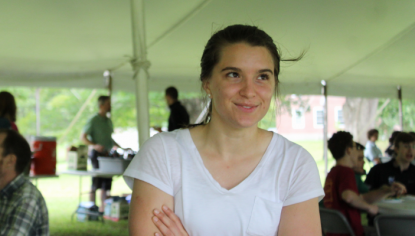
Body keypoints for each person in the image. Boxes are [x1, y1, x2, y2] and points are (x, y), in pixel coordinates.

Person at [124, 25, 324, 235]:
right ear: (207, 83)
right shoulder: (163, 153)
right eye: (233, 74)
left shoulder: (294, 164)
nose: (249, 91)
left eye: (262, 77)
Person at [323, 132, 378, 236]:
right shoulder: (346, 172)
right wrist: (369, 207)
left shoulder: (332, 173)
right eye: (355, 148)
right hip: (350, 232)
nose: (357, 151)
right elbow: (348, 196)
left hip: (333, 232)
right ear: (349, 150)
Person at [81, 95, 127, 212]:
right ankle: (91, 207)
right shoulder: (93, 120)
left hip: (108, 154)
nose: (109, 106)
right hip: (97, 154)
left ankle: (103, 208)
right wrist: (94, 145)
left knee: (107, 183)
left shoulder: (108, 121)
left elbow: (109, 138)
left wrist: (121, 147)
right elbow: (83, 137)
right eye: (108, 104)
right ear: (101, 105)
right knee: (96, 181)